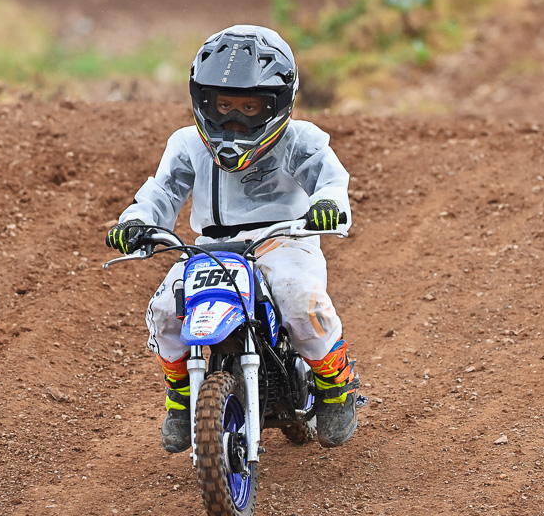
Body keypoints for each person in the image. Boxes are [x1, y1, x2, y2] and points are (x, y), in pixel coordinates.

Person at [104, 25, 360, 453]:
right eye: (223, 105)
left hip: (284, 239)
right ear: (203, 100)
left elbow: (329, 178)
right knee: (167, 309)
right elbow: (162, 192)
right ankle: (182, 394)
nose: (234, 119)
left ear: (277, 105)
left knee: (300, 296)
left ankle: (335, 386)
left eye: (249, 107)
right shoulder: (187, 144)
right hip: (210, 247)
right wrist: (136, 221)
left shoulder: (301, 140)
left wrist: (329, 203)